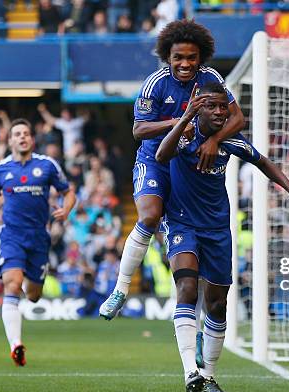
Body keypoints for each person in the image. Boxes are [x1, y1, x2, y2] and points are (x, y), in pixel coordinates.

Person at [155, 82, 289, 392]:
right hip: (182, 222)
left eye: (222, 107)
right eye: (211, 106)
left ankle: (209, 376)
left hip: (217, 229)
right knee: (186, 288)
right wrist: (185, 117)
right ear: (199, 106)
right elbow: (161, 154)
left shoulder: (230, 142)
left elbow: (263, 161)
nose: (218, 111)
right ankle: (190, 373)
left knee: (217, 303)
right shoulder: (184, 135)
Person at [99, 20, 245, 325]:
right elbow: (139, 130)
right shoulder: (155, 84)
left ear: (201, 57)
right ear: (168, 56)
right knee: (150, 216)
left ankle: (209, 322)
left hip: (190, 162)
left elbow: (237, 118)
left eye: (191, 57)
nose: (185, 63)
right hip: (156, 160)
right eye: (178, 57)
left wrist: (215, 140)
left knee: (201, 245)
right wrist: (181, 120)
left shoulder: (211, 78)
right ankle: (121, 289)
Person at [0, 118, 76, 367]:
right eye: (17, 134)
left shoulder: (47, 166)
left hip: (38, 239)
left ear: (32, 139)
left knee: (33, 295)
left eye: (25, 133)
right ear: (10, 140)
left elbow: (68, 191)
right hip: (11, 235)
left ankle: (26, 294)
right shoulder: (0, 170)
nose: (21, 137)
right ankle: (16, 345)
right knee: (12, 284)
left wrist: (66, 210)